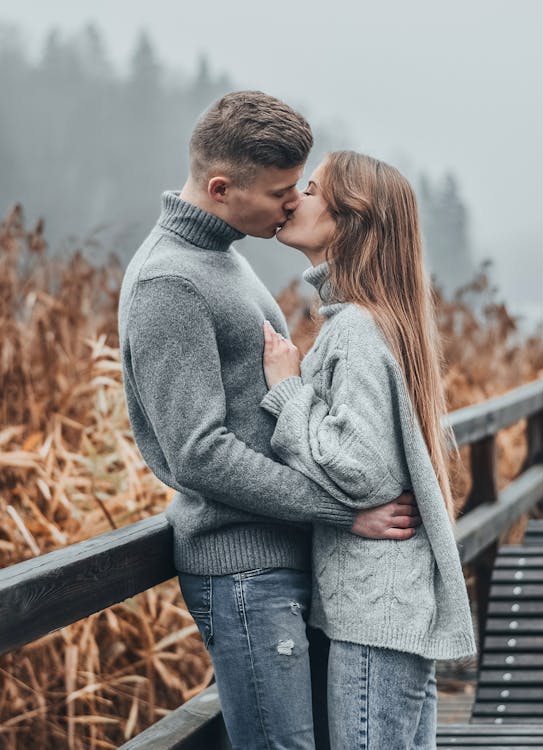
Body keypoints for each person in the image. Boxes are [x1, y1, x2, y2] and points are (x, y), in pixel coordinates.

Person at [118, 92, 421, 749]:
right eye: (283, 191)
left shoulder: (226, 258)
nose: (294, 203)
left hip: (283, 560)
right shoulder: (169, 284)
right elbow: (200, 455)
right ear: (222, 188)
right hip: (242, 572)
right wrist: (343, 510)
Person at [260, 150, 477, 749]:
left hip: (376, 618)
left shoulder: (354, 328)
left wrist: (287, 392)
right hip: (391, 610)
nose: (293, 198)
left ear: (348, 219)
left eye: (311, 188)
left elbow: (362, 472)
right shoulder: (373, 321)